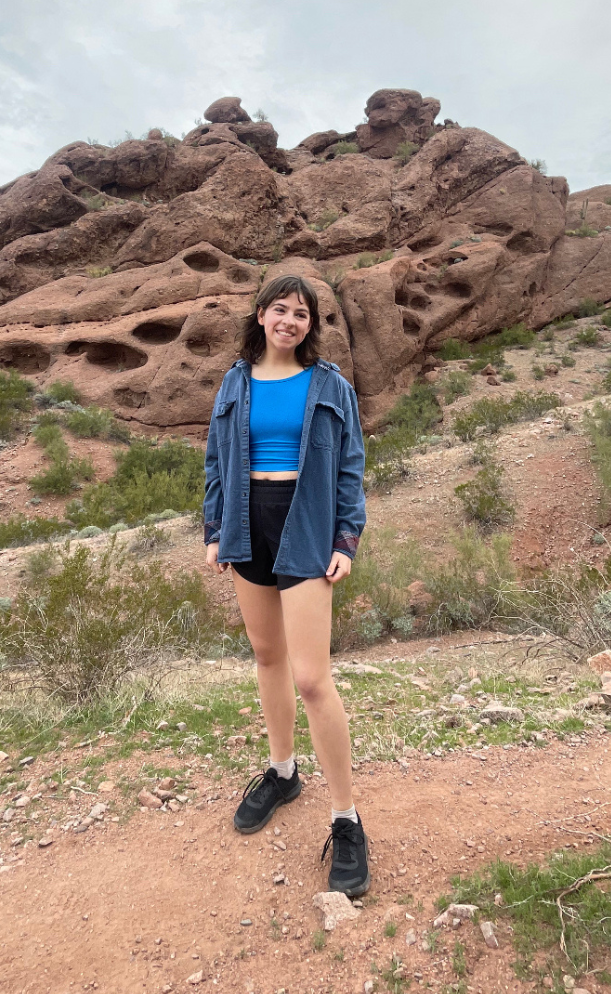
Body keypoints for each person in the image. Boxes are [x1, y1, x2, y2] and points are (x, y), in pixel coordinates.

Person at [203, 273, 370, 896]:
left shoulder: (331, 386)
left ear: (310, 325)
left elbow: (350, 465)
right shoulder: (235, 382)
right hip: (248, 526)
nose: (290, 321)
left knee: (311, 677)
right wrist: (214, 528)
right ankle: (282, 772)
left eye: (302, 314)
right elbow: (217, 460)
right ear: (261, 315)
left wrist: (344, 540)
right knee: (268, 657)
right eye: (281, 310)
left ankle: (346, 819)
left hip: (307, 525)